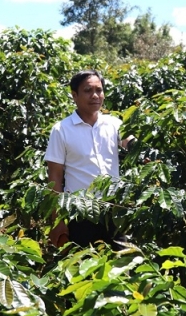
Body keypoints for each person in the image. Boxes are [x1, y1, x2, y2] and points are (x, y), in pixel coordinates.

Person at [45, 70, 133, 248]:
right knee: (85, 270)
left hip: (114, 212)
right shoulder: (62, 130)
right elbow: (55, 177)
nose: (95, 96)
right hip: (80, 214)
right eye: (87, 91)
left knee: (123, 268)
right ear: (74, 95)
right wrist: (58, 221)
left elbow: (130, 142)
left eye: (99, 90)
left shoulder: (114, 124)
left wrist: (145, 147)